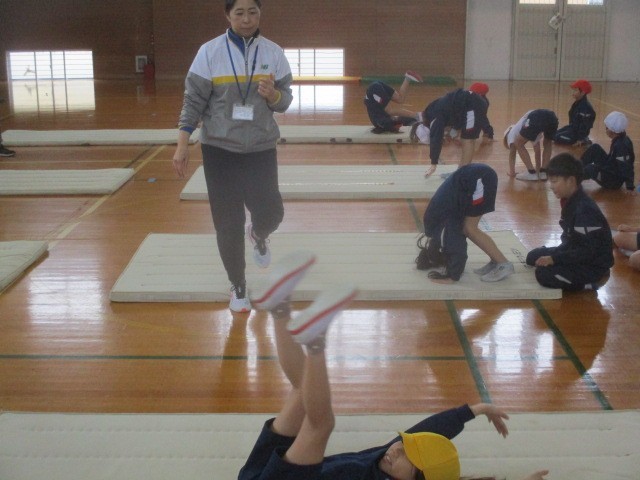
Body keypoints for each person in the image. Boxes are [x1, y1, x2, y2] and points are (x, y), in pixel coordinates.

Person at [240, 250, 549, 480]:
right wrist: (473, 410)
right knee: (302, 392)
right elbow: (425, 432)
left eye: (406, 456)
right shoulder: (387, 462)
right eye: (404, 446)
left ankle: (314, 342)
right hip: (261, 472)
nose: (396, 449)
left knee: (320, 424)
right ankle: (279, 308)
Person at [172, 0, 293, 313]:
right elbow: (193, 101)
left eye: (253, 12)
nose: (247, 19)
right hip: (219, 151)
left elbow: (285, 101)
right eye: (239, 13)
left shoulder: (273, 53)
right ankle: (238, 284)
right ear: (228, 15)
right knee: (228, 222)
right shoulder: (209, 52)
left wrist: (274, 95)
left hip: (260, 148)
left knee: (272, 213)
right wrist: (182, 143)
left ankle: (259, 234)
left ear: (260, 14)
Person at [526, 153, 614, 291]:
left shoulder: (584, 210)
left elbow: (587, 251)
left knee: (543, 274)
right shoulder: (569, 201)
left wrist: (555, 259)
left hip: (592, 265)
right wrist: (555, 255)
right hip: (573, 251)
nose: (551, 186)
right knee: (532, 257)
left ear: (571, 181)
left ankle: (589, 283)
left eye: (554, 181)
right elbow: (571, 241)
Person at [415, 163, 515, 283]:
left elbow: (457, 248)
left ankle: (503, 264)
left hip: (479, 179)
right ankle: (496, 260)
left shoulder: (442, 226)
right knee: (467, 228)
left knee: (469, 229)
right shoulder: (433, 224)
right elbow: (446, 243)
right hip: (474, 176)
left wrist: (452, 276)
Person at [417, 88, 492, 177]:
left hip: (472, 105)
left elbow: (435, 140)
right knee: (465, 138)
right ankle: (460, 172)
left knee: (468, 140)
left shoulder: (434, 119)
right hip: (470, 104)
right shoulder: (433, 110)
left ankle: (462, 174)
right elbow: (452, 112)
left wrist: (433, 164)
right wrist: (453, 134)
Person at [580, 111, 636, 195]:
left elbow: (626, 167)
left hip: (613, 181)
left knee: (591, 169)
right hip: (611, 168)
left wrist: (630, 186)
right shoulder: (620, 138)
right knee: (595, 148)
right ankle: (576, 167)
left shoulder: (621, 146)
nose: (605, 130)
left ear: (611, 130)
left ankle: (572, 177)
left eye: (606, 127)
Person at [505, 109, 558, 181]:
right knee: (548, 143)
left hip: (536, 117)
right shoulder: (524, 125)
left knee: (518, 143)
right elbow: (537, 149)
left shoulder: (511, 134)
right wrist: (538, 171)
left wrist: (512, 172)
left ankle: (531, 172)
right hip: (552, 117)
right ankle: (543, 172)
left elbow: (512, 154)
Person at [553, 79, 596, 146]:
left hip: (577, 134)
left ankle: (584, 140)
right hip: (572, 128)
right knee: (553, 134)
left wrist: (580, 138)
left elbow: (584, 125)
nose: (573, 92)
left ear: (583, 93)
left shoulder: (585, 107)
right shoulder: (577, 103)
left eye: (575, 90)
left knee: (556, 137)